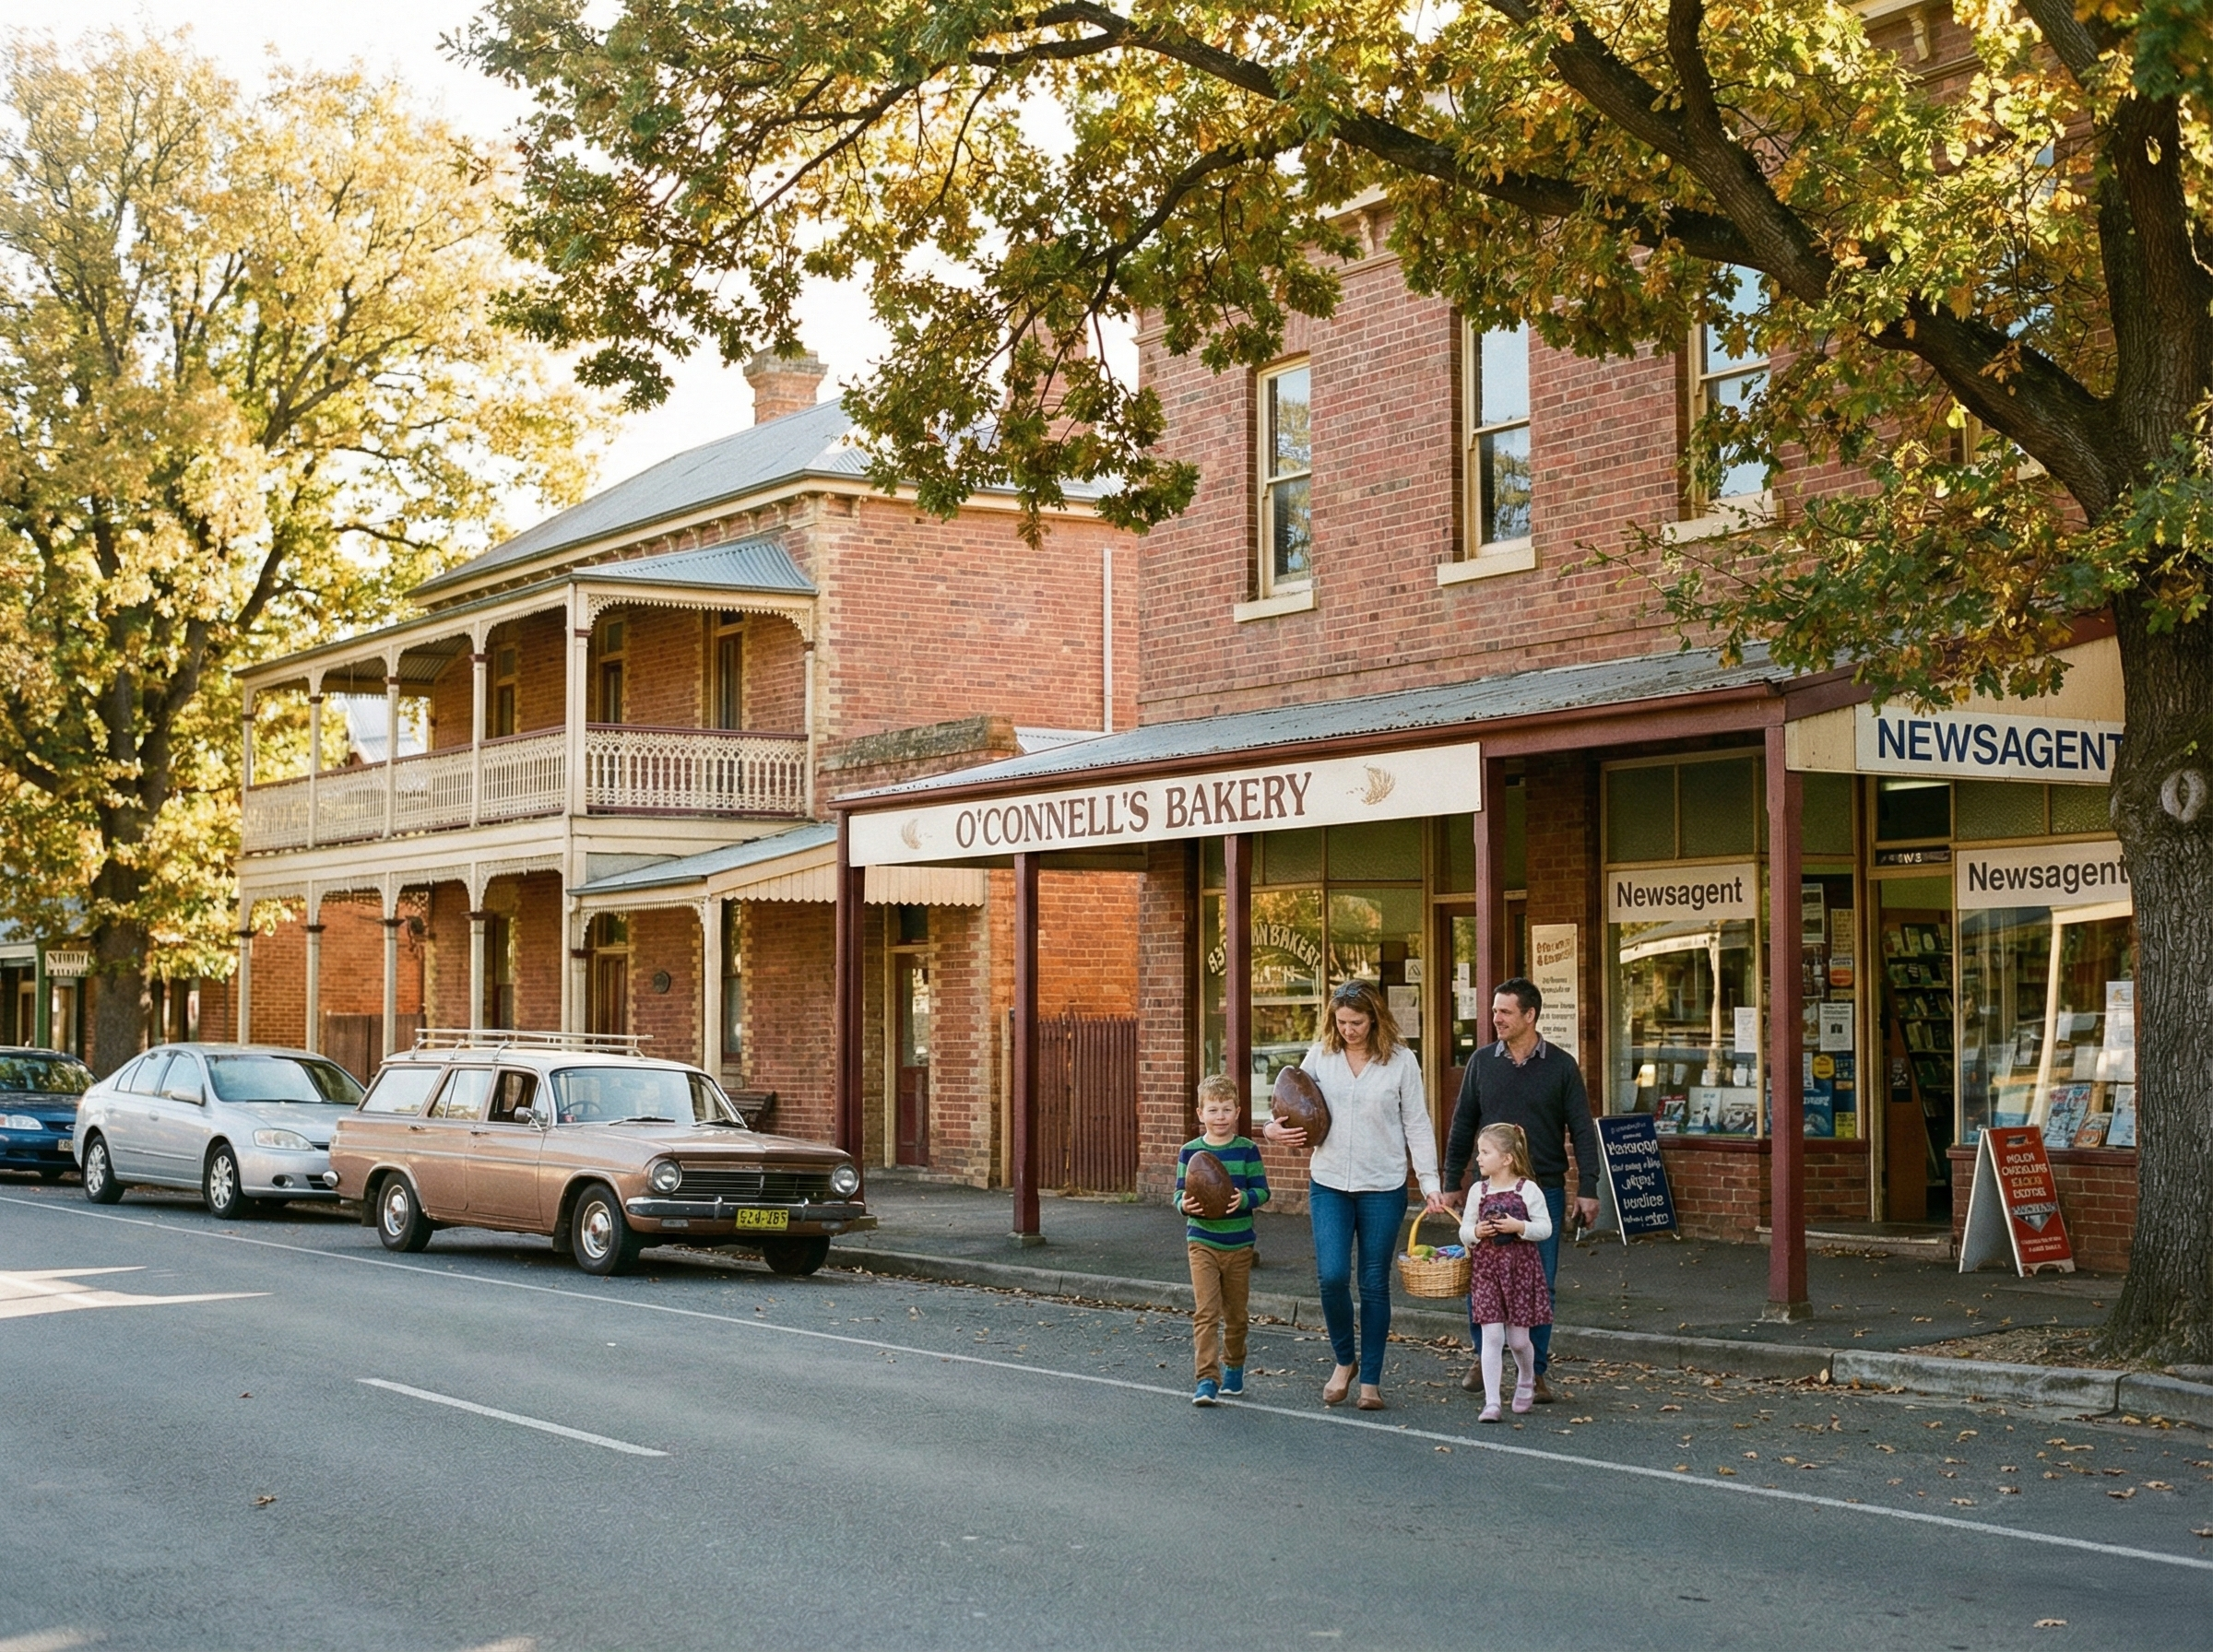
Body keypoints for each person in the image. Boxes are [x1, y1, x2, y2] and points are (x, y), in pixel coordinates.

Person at [1264, 979, 1440, 1412]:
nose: (1349, 1030)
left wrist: (1431, 1184)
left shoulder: (1401, 1061)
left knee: (1374, 1284)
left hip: (1383, 1187)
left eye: (1357, 1022)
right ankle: (1345, 1361)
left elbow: (1417, 1124)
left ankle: (1372, 1382)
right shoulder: (1321, 1055)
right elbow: (1288, 1101)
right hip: (1329, 1184)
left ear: (1374, 1018)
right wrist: (1271, 1129)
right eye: (1341, 1022)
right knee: (1331, 1277)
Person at [1438, 975, 1599, 1404]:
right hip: (1488, 1193)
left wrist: (1588, 1187)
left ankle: (1535, 1370)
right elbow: (1462, 1124)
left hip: (1541, 1190)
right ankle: (1484, 1355)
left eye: (1505, 1011)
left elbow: (1582, 1129)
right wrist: (1453, 1180)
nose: (1496, 1018)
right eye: (1494, 1010)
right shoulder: (1481, 1063)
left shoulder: (1562, 1066)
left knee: (1539, 1284)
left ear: (1530, 1015)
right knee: (1484, 1279)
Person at [1178, 1073, 1272, 1407]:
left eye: (1226, 1109)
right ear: (1200, 1113)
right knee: (1206, 1312)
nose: (1220, 1116)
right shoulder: (1190, 1152)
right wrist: (1183, 1204)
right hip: (1202, 1240)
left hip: (1239, 1244)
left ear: (1238, 1112)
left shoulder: (1247, 1149)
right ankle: (1206, 1378)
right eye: (1213, 1110)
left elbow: (1263, 1191)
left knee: (1236, 1313)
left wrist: (1244, 1199)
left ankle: (1234, 1366)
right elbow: (1178, 1194)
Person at [1459, 1122, 1553, 1422]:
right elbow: (1464, 1230)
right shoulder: (1478, 1190)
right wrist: (1476, 1231)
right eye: (1478, 1152)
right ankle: (1492, 1402)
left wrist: (1519, 1227)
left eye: (1485, 1152)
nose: (1479, 1158)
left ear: (1507, 1158)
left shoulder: (1528, 1189)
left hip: (1520, 1271)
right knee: (1492, 1336)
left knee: (1518, 1340)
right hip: (1487, 1270)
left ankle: (1527, 1375)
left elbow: (1545, 1228)